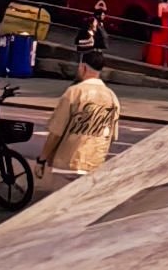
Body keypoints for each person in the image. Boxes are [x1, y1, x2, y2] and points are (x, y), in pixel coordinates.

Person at [31, 57, 122, 194]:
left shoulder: (74, 92)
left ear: (83, 67)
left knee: (60, 203)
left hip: (67, 163)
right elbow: (111, 136)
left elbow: (56, 132)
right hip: (94, 165)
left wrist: (42, 159)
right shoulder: (112, 97)